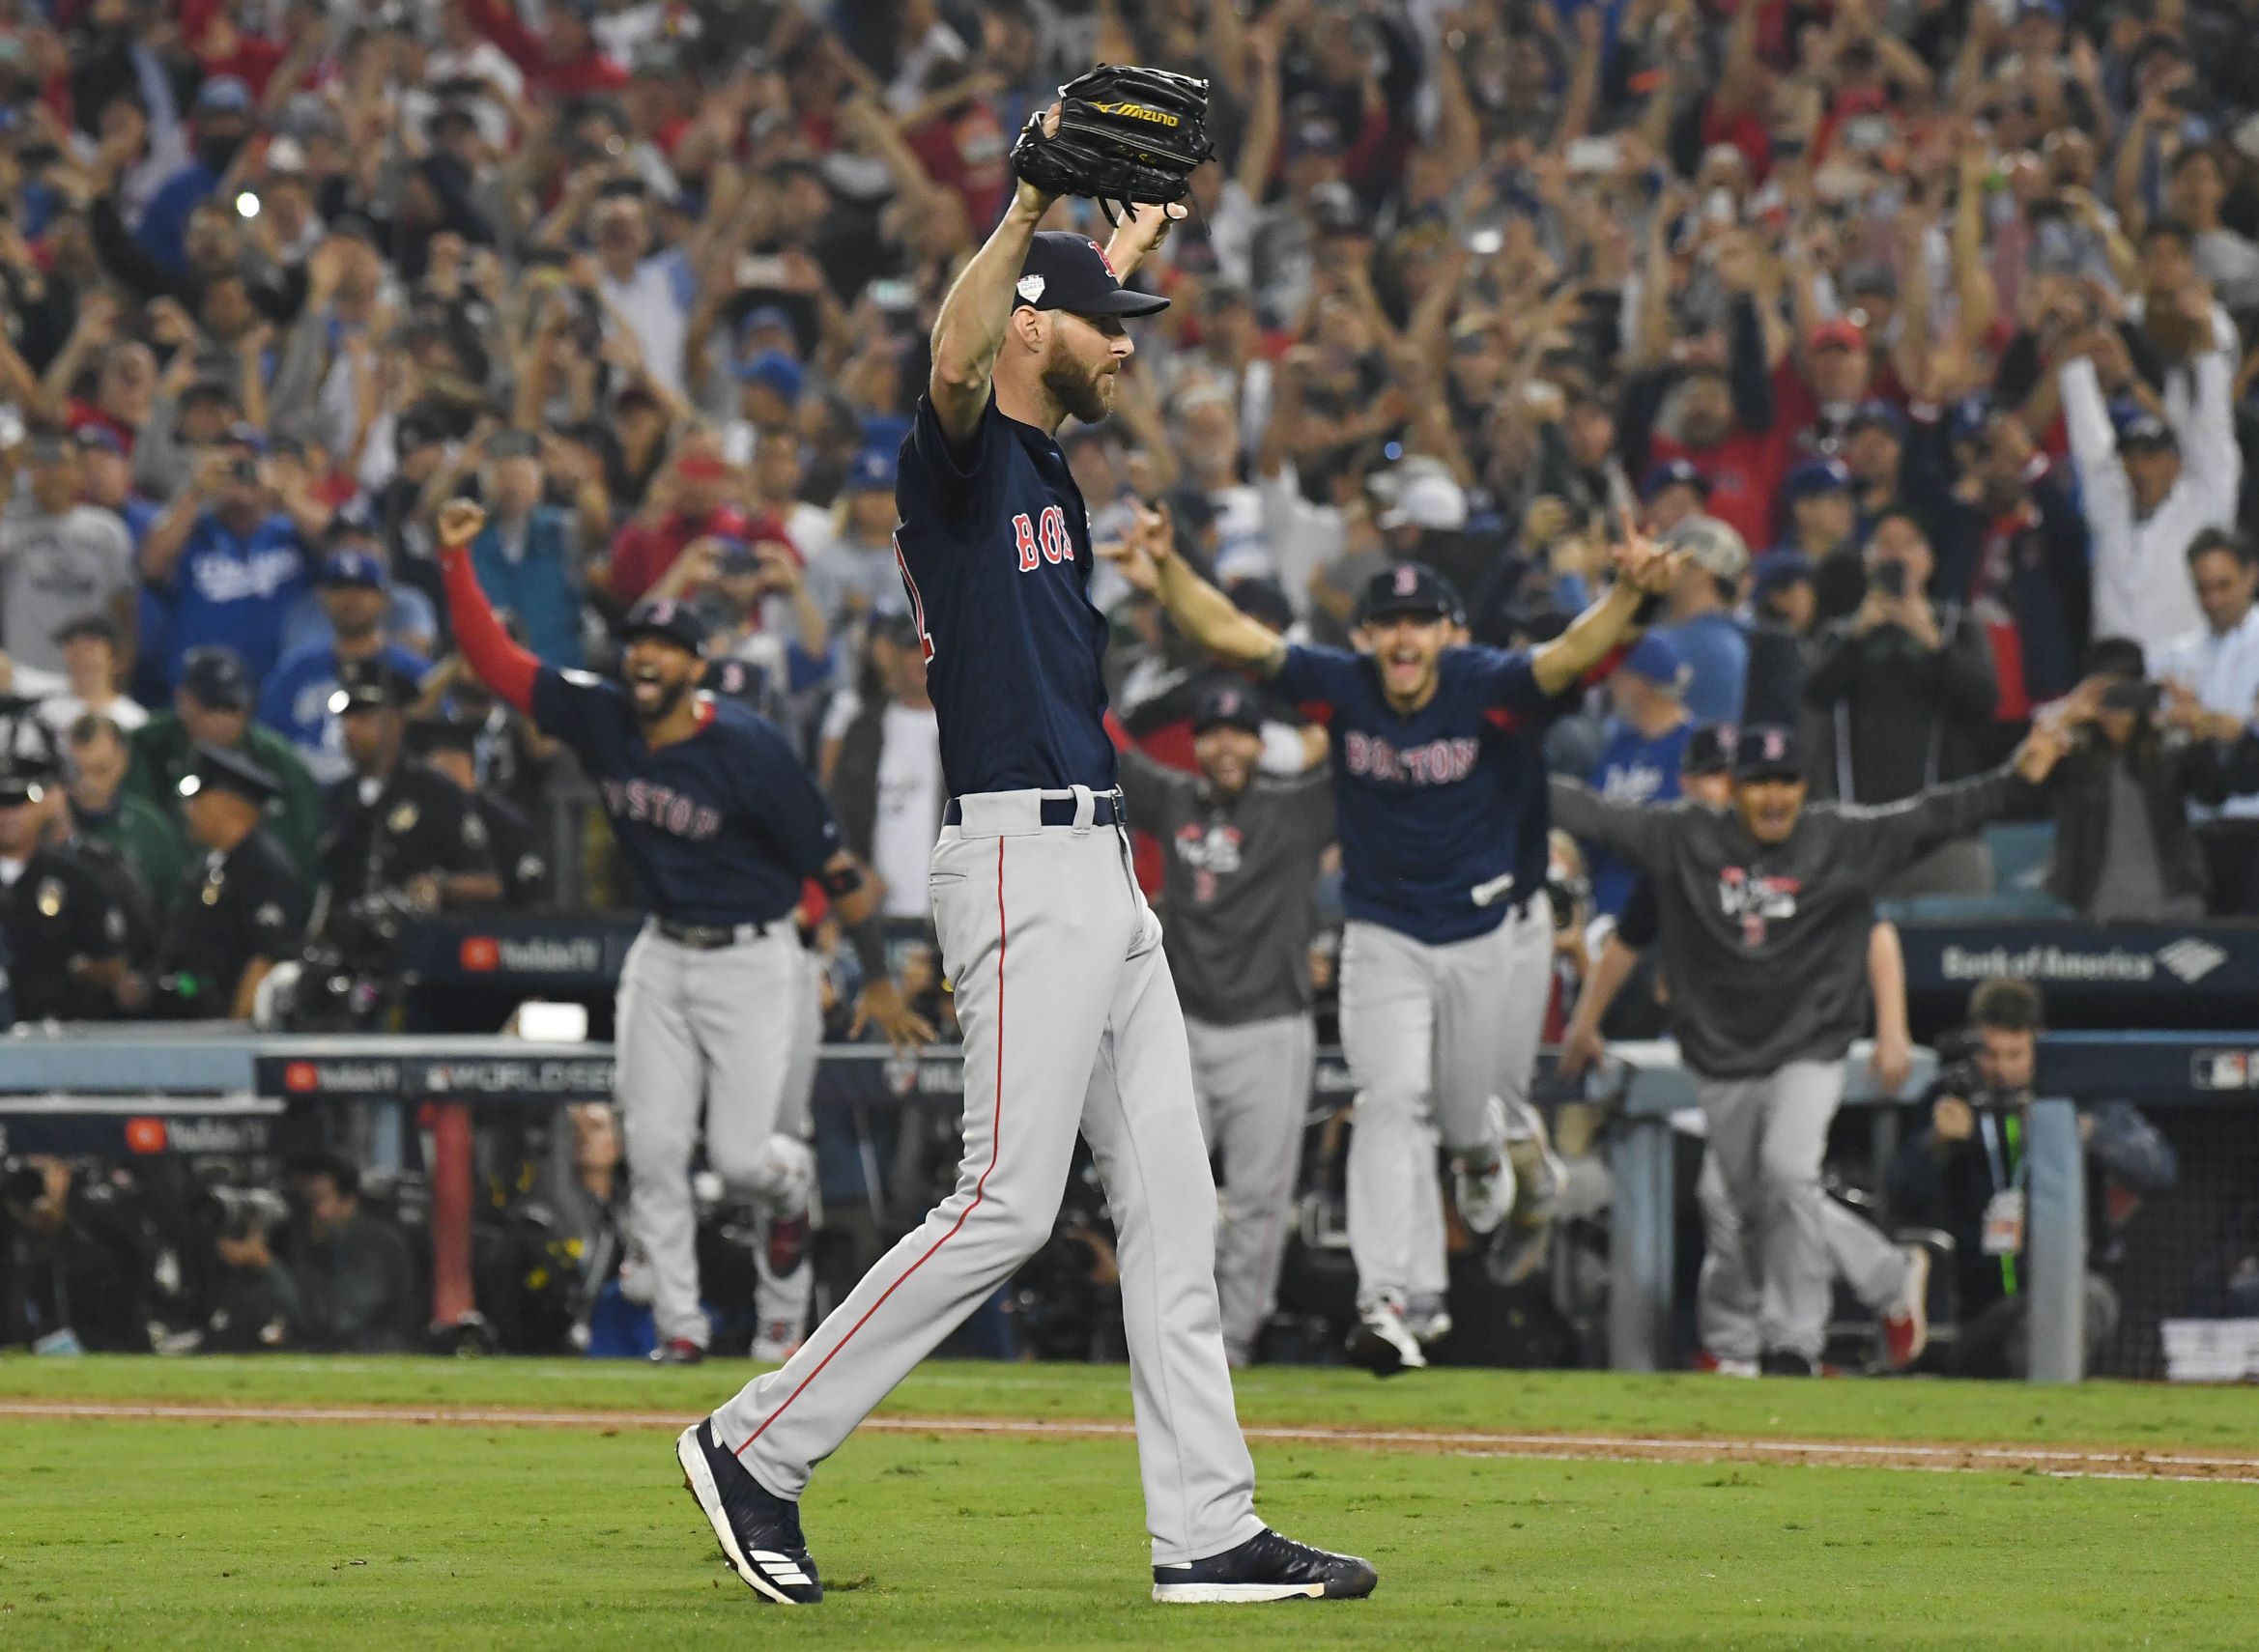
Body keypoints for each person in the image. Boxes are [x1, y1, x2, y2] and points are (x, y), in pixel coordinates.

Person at [674, 160, 1375, 1603]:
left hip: (1101, 869)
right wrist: (1021, 213)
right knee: (1004, 1200)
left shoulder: (1043, 457)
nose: (1131, 342)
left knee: (1176, 1205)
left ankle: (1206, 1529)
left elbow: (1039, 329)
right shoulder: (961, 460)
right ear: (1028, 328)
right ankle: (756, 1445)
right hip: (1013, 856)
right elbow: (956, 352)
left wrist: (1092, 254)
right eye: (1108, 323)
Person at [1112, 511, 1680, 1376]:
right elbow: (1235, 635)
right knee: (1388, 1099)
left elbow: (1569, 657)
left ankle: (1485, 1155)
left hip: (1482, 930)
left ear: (1448, 632)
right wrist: (1170, 568)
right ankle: (1392, 1302)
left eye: (1421, 622)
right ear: (1367, 634)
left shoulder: (1485, 683)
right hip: (1382, 932)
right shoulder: (1341, 686)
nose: (1405, 637)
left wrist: (1631, 595)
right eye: (1390, 622)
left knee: (1459, 1123)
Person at [436, 499, 926, 1384]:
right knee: (653, 1148)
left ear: (698, 664)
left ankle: (790, 1189)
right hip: (661, 953)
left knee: (743, 1161)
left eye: (666, 646)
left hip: (753, 955)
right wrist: (454, 563)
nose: (647, 657)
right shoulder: (604, 715)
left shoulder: (750, 750)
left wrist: (878, 980)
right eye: (638, 643)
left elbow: (838, 872)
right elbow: (500, 666)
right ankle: (682, 1326)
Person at [1550, 720, 2069, 1374]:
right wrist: (1500, 770)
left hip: (1809, 1047)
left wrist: (2018, 777)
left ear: (1804, 786)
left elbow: (1935, 815)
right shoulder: (1685, 840)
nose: (1773, 796)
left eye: (1786, 781)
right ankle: (1784, 1324)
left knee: (1790, 1173)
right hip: (1722, 1057)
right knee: (1736, 1203)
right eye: (1759, 782)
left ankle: (1793, 1341)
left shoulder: (1838, 841)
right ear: (1736, 788)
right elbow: (1594, 817)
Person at [1114, 681, 1333, 1369]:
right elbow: (1110, 754)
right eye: (1214, 732)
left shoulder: (1296, 809)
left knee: (1261, 1205)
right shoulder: (1176, 798)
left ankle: (1233, 1343)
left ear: (1262, 744)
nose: (1227, 745)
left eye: (1241, 733)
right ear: (1198, 741)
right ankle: (1172, 1340)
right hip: (1185, 1027)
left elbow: (1362, 760)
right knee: (1168, 1193)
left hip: (1270, 1029)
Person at [1889, 980, 2178, 1378]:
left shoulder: (2079, 1093)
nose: (2002, 1068)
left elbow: (2159, 1169)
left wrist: (2087, 1133)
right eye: (1990, 1054)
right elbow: (1900, 1196)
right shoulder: (1950, 1094)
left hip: (2073, 1287)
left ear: (2039, 1041)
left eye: (2015, 1054)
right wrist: (1935, 1145)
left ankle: (2043, 1421)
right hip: (1978, 1306)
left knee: (2082, 1301)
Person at [1803, 509, 2000, 895]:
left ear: (1929, 560)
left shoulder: (1956, 627)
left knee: (1956, 951)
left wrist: (1932, 642)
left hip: (1945, 838)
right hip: (1859, 836)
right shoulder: (1840, 634)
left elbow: (1984, 701)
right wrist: (1858, 637)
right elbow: (1814, 693)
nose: (1896, 555)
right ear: (1868, 561)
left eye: (1908, 544)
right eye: (1884, 545)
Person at [2034, 640, 2259, 922]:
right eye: (2107, 691)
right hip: (2093, 912)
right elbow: (2026, 790)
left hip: (2173, 905)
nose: (2117, 705)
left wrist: (2198, 733)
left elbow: (2213, 794)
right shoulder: (2070, 751)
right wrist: (2065, 716)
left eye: (2126, 691)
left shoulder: (2170, 746)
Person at [2058, 321, 2240, 655]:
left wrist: (2209, 358)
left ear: (2175, 463)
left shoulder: (2203, 508)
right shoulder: (2109, 506)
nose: (2141, 468)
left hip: (2184, 682)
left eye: (2153, 457)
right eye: (2133, 457)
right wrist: (2076, 367)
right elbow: (2090, 448)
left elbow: (2214, 438)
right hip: (2115, 681)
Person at [317, 660, 503, 947]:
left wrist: (439, 886)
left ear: (394, 723)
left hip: (419, 949)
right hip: (347, 951)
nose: (350, 729)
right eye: (346, 719)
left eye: (363, 717)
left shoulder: (436, 793)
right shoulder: (337, 797)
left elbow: (488, 883)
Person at [125, 743, 311, 1020]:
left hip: (222, 1034)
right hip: (190, 1024)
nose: (187, 809)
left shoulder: (263, 868)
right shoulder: (216, 863)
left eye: (196, 798)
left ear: (226, 804)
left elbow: (266, 960)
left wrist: (235, 1043)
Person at [127, 645, 326, 879]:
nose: (223, 719)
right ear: (183, 700)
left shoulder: (278, 761)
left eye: (232, 707)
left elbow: (309, 844)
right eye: (212, 707)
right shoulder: (148, 746)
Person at [2146, 529, 2259, 911]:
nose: (2213, 600)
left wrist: (2205, 721)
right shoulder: (2175, 657)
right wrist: (2167, 725)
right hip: (2199, 828)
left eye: (2224, 586)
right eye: (2203, 589)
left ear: (2251, 576)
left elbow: (2236, 728)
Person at [259, 551, 434, 784]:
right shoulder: (295, 669)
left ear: (384, 598)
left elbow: (435, 743)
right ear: (322, 597)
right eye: (340, 588)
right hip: (310, 801)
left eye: (362, 588)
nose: (351, 598)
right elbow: (266, 740)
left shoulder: (411, 671)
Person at [822, 612, 944, 923]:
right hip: (878, 915)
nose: (921, 658)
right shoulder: (864, 728)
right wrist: (857, 870)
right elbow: (836, 813)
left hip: (950, 914)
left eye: (928, 648)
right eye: (911, 648)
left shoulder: (969, 730)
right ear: (892, 656)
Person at [0, 745, 131, 1022]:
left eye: (20, 803)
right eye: (1, 804)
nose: (9, 816)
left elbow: (112, 964)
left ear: (42, 805)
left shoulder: (74, 879)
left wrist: (75, 970)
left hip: (58, 1031)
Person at [0, 433, 138, 674]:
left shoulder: (107, 530)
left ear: (79, 473)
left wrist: (122, 664)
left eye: (61, 464)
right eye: (41, 465)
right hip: (24, 675)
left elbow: (123, 606)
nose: (52, 474)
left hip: (87, 677)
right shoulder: (11, 527)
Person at [1582, 634, 1693, 919]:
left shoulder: (1693, 749)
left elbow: (1672, 837)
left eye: (1617, 675)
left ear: (1640, 685)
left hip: (1660, 917)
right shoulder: (1621, 744)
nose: (1610, 683)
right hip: (1602, 908)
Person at [408, 709, 551, 908]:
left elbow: (520, 890)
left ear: (468, 765)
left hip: (495, 925)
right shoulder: (422, 815)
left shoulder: (503, 820)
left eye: (450, 763)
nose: (440, 777)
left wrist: (442, 885)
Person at [286, 1156, 416, 1353]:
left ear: (348, 1200)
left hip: (372, 1346)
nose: (311, 1211)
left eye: (317, 1200)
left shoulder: (372, 1240)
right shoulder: (308, 1239)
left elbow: (350, 1314)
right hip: (334, 1346)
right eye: (305, 1202)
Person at [67, 712, 191, 916]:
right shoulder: (47, 828)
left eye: (100, 770)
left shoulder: (150, 829)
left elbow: (177, 909)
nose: (87, 784)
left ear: (123, 761)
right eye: (77, 771)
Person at [1649, 515, 1751, 728]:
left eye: (1674, 559)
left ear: (1699, 571)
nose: (1663, 567)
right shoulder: (1719, 634)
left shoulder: (1710, 643)